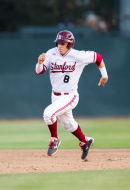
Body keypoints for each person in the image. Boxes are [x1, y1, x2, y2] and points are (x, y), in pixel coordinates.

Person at [35, 30, 108, 160]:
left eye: (63, 43)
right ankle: (85, 141)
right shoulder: (51, 53)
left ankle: (54, 140)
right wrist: (39, 63)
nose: (60, 46)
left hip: (70, 96)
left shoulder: (79, 55)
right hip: (56, 96)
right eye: (58, 43)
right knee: (68, 124)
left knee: (48, 114)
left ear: (70, 44)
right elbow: (39, 72)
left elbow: (98, 57)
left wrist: (104, 75)